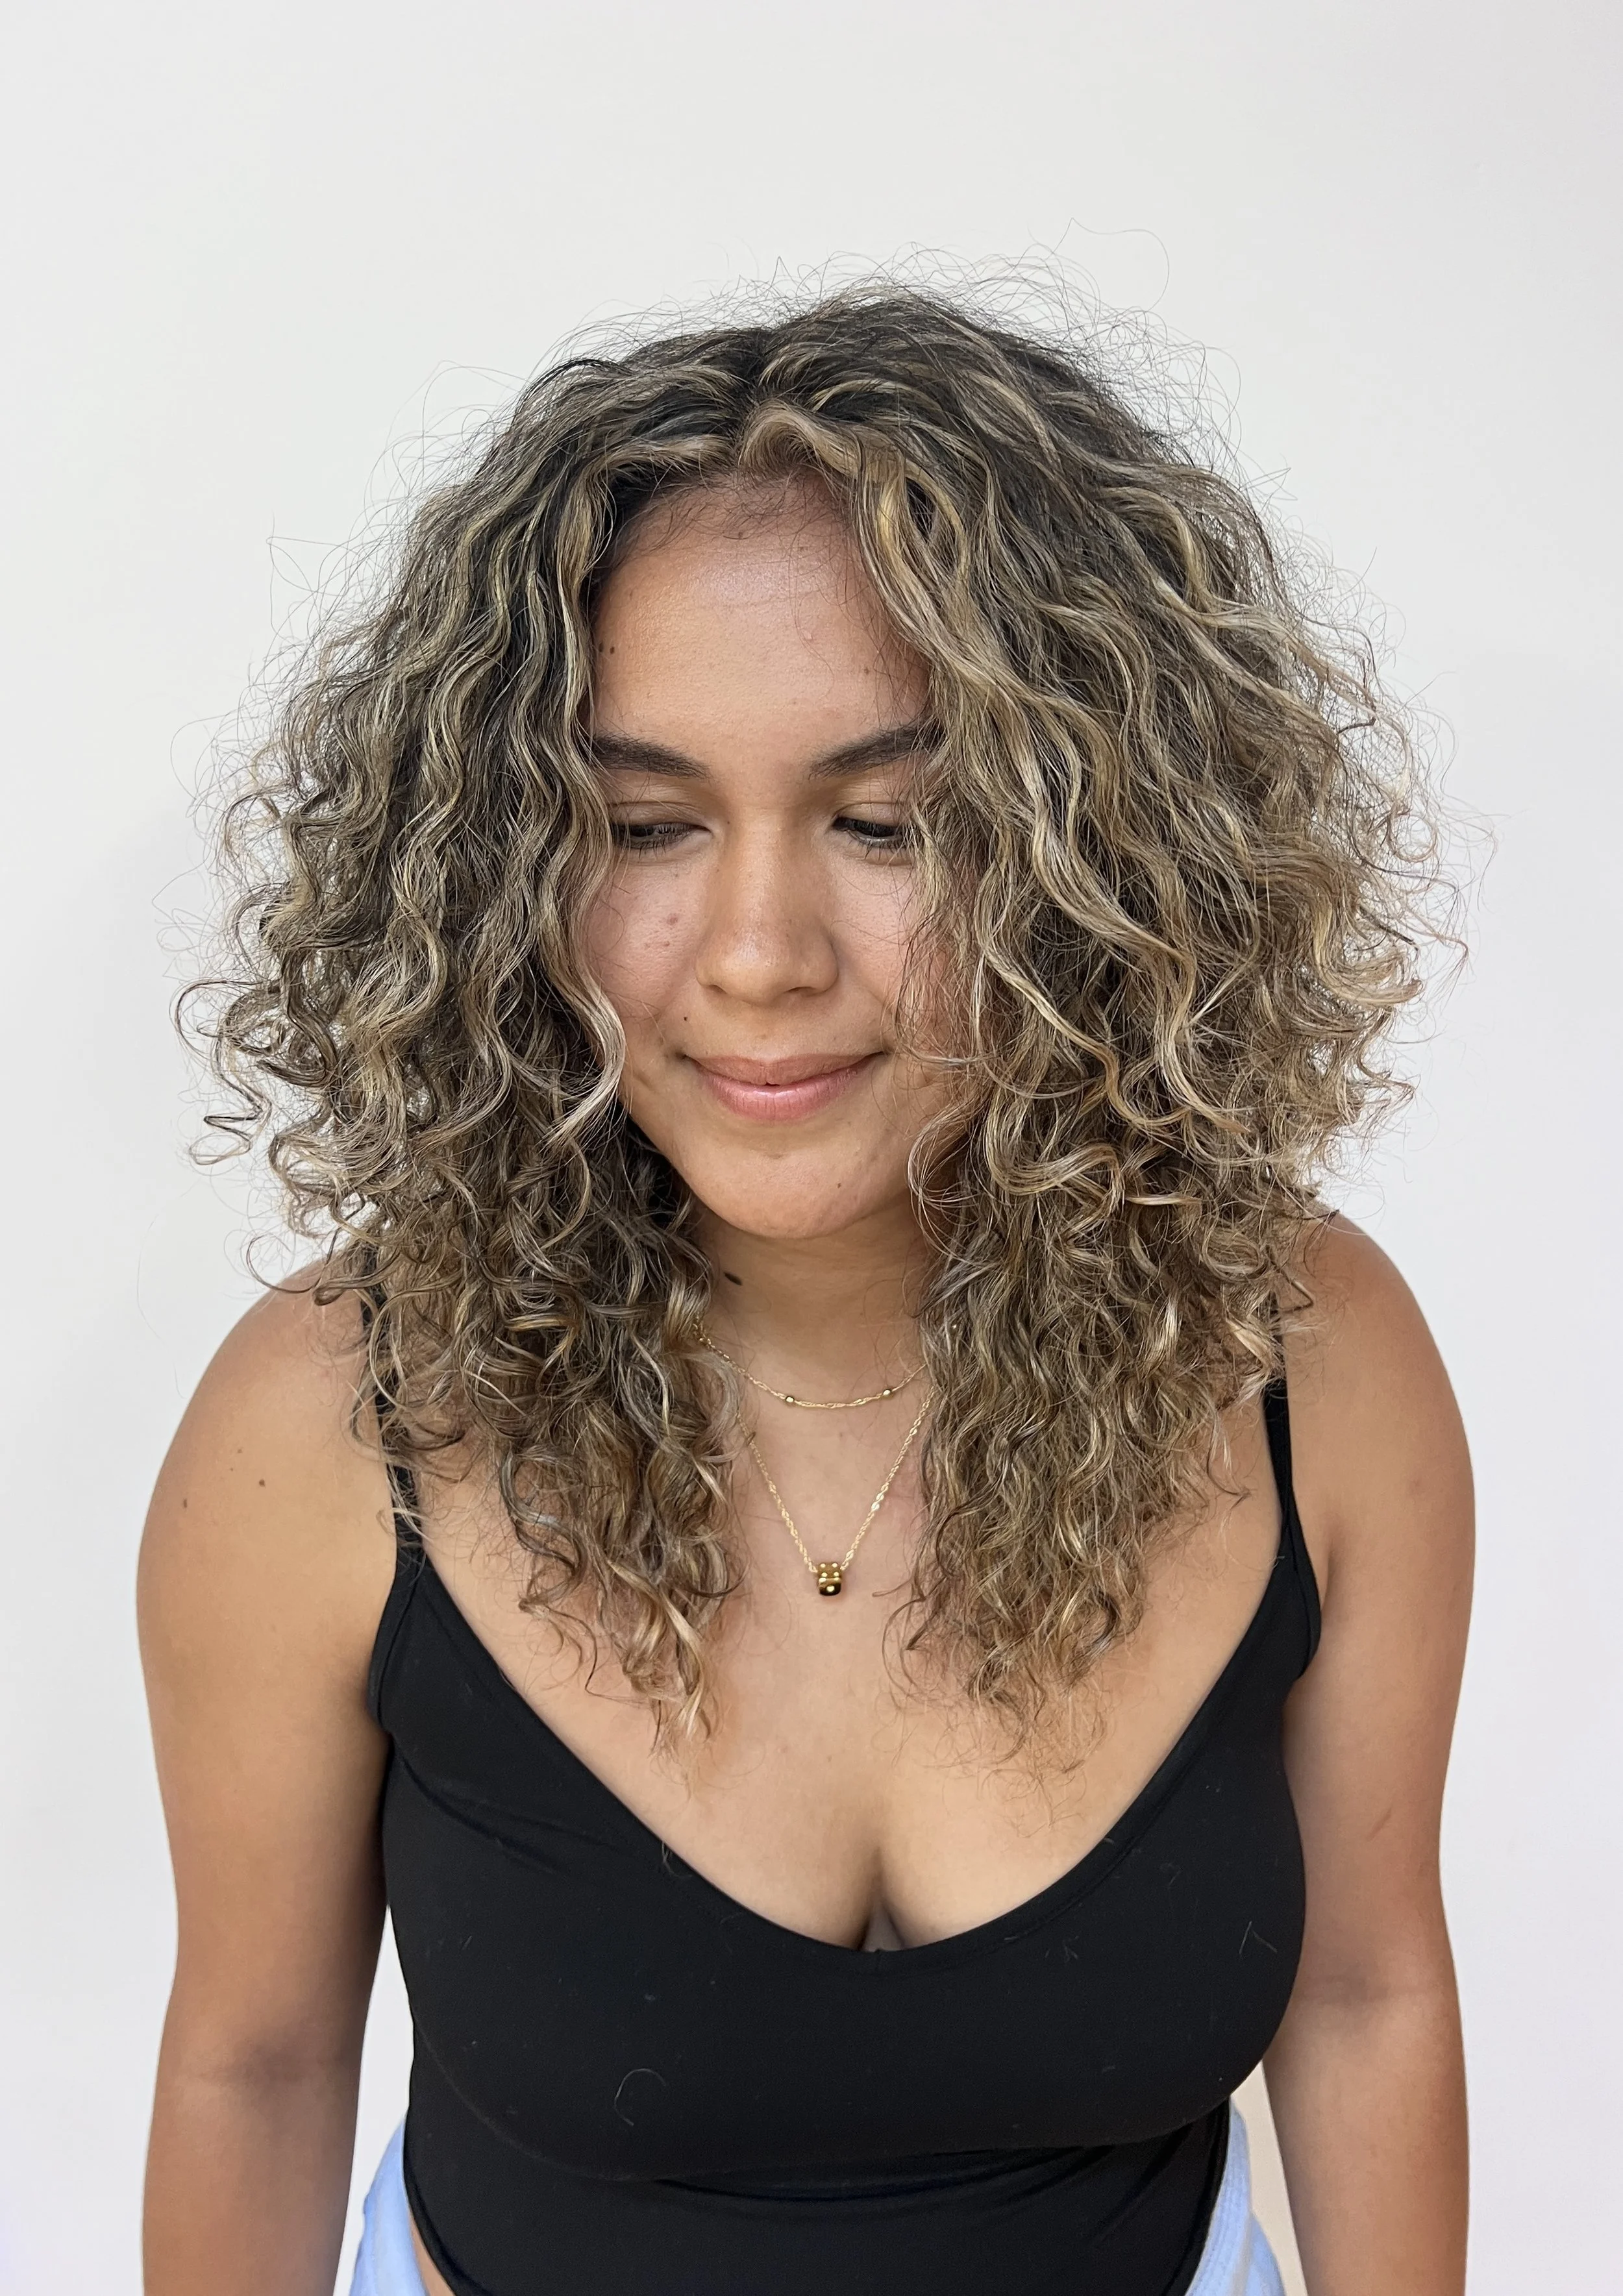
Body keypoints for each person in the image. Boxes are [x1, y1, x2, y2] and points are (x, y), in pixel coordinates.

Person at [138, 284, 1473, 2296]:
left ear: (1096, 848)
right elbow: (252, 2061)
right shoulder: (331, 1419)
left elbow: (1366, 2000)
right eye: (643, 823)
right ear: (505, 863)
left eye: (891, 823)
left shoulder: (1298, 1353)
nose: (757, 952)